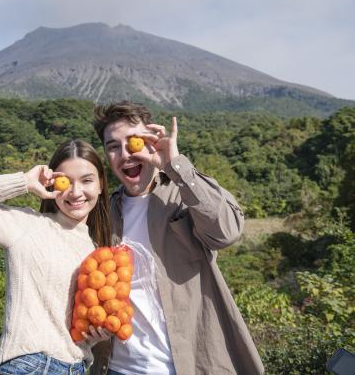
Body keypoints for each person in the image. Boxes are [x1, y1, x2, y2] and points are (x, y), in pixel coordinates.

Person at [90, 101, 264, 375]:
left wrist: (176, 166)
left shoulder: (183, 195)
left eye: (133, 142)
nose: (125, 154)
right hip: (118, 368)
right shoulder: (103, 214)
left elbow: (227, 232)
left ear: (152, 142)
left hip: (188, 365)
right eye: (113, 146)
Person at [0, 139, 112, 375]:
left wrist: (92, 336)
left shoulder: (97, 251)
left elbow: (67, 330)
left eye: (86, 180)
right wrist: (24, 182)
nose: (75, 192)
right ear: (52, 185)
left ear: (101, 184)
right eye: (66, 181)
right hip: (27, 366)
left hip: (76, 368)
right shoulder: (27, 225)